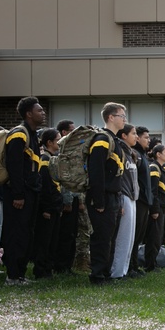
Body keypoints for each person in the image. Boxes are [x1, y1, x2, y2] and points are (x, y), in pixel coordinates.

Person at [3, 96, 45, 285]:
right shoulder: (19, 134)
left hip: (31, 191)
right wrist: (18, 194)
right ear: (29, 114)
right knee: (17, 234)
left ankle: (20, 274)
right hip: (20, 193)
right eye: (39, 110)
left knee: (27, 233)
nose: (43, 113)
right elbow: (14, 166)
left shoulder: (33, 135)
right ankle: (12, 275)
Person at [87, 102, 127, 284]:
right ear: (111, 117)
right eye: (122, 116)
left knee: (110, 237)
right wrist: (99, 201)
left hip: (114, 196)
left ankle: (106, 273)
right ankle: (97, 275)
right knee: (102, 238)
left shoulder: (115, 141)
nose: (125, 119)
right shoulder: (102, 139)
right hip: (103, 196)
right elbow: (96, 171)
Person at [32, 128, 63, 279]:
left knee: (53, 241)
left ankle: (48, 269)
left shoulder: (53, 157)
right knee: (44, 241)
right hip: (48, 208)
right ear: (49, 142)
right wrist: (46, 208)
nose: (60, 142)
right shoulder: (45, 159)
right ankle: (41, 270)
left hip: (55, 206)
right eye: (58, 139)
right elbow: (44, 185)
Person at [111, 124, 140, 279]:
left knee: (130, 238)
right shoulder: (120, 151)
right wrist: (120, 200)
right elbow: (119, 177)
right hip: (124, 196)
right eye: (133, 133)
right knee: (122, 237)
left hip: (132, 197)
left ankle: (124, 270)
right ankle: (116, 272)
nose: (136, 136)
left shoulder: (131, 153)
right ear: (124, 136)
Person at [53, 119, 81, 275]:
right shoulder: (62, 152)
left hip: (75, 198)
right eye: (72, 130)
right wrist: (68, 200)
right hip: (66, 200)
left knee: (72, 234)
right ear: (64, 132)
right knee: (65, 234)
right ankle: (61, 265)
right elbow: (65, 179)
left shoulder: (72, 150)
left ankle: (68, 266)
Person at [128, 126, 153, 276]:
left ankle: (135, 265)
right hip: (137, 200)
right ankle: (130, 267)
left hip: (145, 201)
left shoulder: (143, 156)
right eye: (146, 137)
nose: (148, 140)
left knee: (139, 237)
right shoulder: (135, 155)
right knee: (133, 236)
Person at [144, 143, 165, 272]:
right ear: (158, 154)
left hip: (162, 208)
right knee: (153, 238)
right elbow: (153, 191)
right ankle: (149, 265)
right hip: (157, 209)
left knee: (158, 237)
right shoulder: (154, 168)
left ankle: (153, 263)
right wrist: (154, 209)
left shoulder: (164, 168)